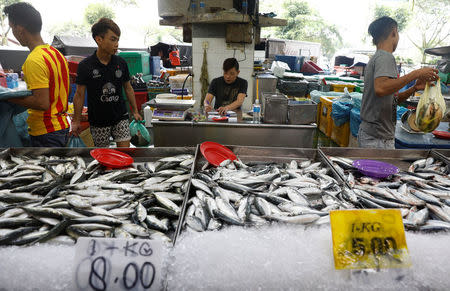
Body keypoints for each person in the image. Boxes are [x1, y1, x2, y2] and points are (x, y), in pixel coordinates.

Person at [358, 16, 439, 149]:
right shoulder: (385, 57)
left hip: (375, 136)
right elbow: (381, 89)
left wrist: (414, 88)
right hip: (377, 139)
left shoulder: (377, 58)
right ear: (394, 32)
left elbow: (391, 100)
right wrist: (416, 73)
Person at [4, 3, 70, 147]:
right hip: (62, 126)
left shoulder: (34, 59)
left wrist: (8, 98)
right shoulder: (56, 54)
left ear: (19, 29)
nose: (13, 32)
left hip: (46, 132)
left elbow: (42, 103)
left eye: (11, 27)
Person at [71, 18, 142, 148]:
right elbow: (79, 95)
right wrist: (76, 120)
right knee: (103, 157)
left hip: (120, 117)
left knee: (125, 154)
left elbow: (128, 88)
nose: (117, 44)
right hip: (98, 120)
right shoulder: (85, 66)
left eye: (118, 40)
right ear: (99, 40)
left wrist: (135, 111)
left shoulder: (121, 63)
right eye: (113, 39)